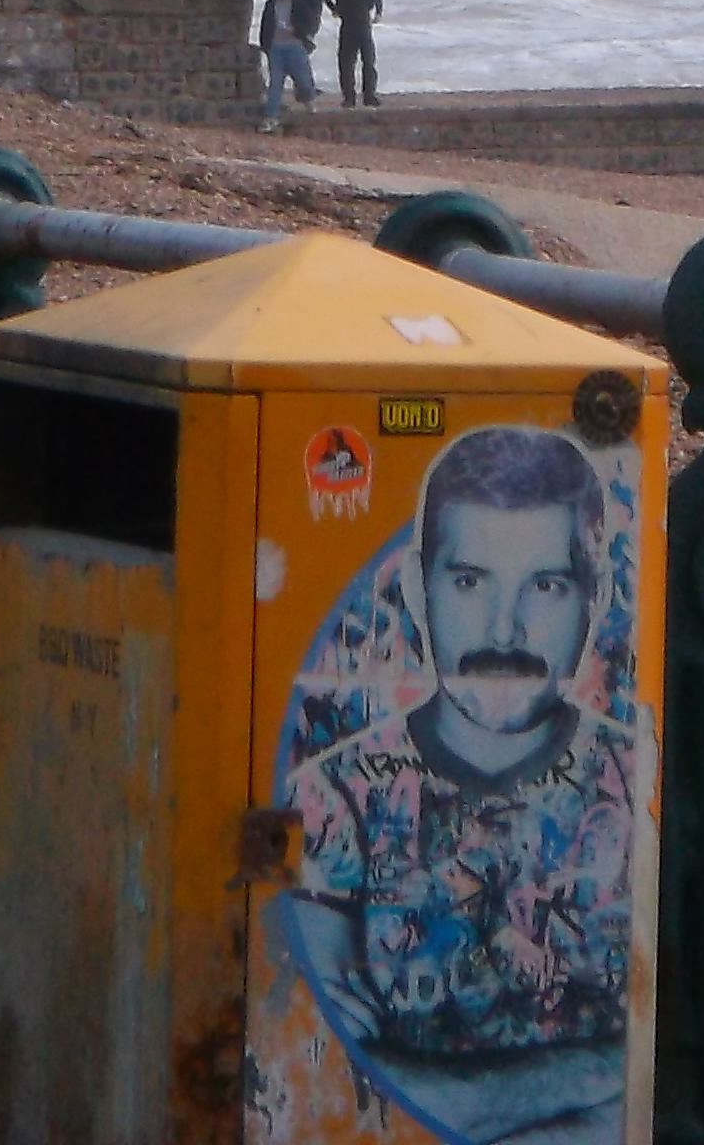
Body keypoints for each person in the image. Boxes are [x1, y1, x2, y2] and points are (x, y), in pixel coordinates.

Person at [272, 426, 640, 1145]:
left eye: (545, 585)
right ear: (416, 589)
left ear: (591, 599)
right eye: (469, 582)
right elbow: (322, 1082)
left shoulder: (643, 787)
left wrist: (432, 1089)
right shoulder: (329, 798)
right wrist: (599, 1073)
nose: (504, 630)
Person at [256, 0, 323, 130]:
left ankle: (308, 100)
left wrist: (296, 30)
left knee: (303, 80)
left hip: (295, 46)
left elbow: (309, 22)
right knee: (275, 84)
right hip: (276, 48)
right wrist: (266, 46)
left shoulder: (298, 3)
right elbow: (265, 26)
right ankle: (270, 117)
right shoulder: (271, 4)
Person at [322, 0, 386, 110]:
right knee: (345, 63)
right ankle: (349, 98)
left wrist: (378, 13)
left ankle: (369, 96)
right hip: (347, 24)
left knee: (368, 61)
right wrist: (333, 8)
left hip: (363, 23)